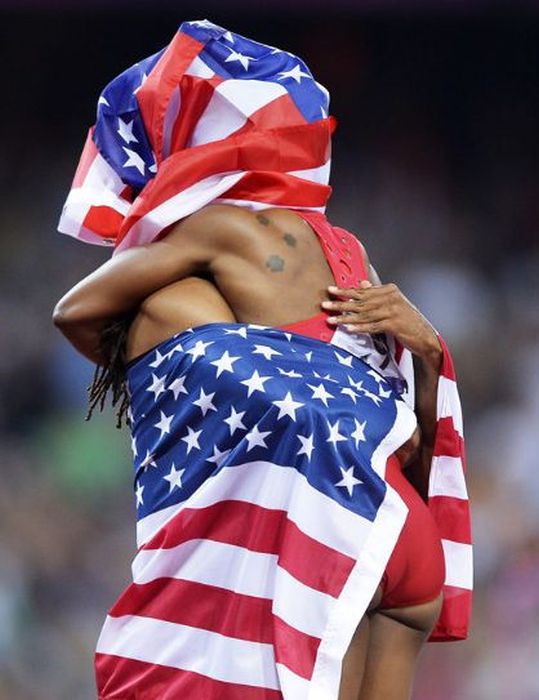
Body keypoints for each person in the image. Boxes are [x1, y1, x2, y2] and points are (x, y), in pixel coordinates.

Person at [53, 20, 471, 700]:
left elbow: (76, 311)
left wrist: (176, 378)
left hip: (325, 515)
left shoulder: (223, 229)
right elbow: (407, 448)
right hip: (404, 533)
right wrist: (426, 353)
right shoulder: (352, 254)